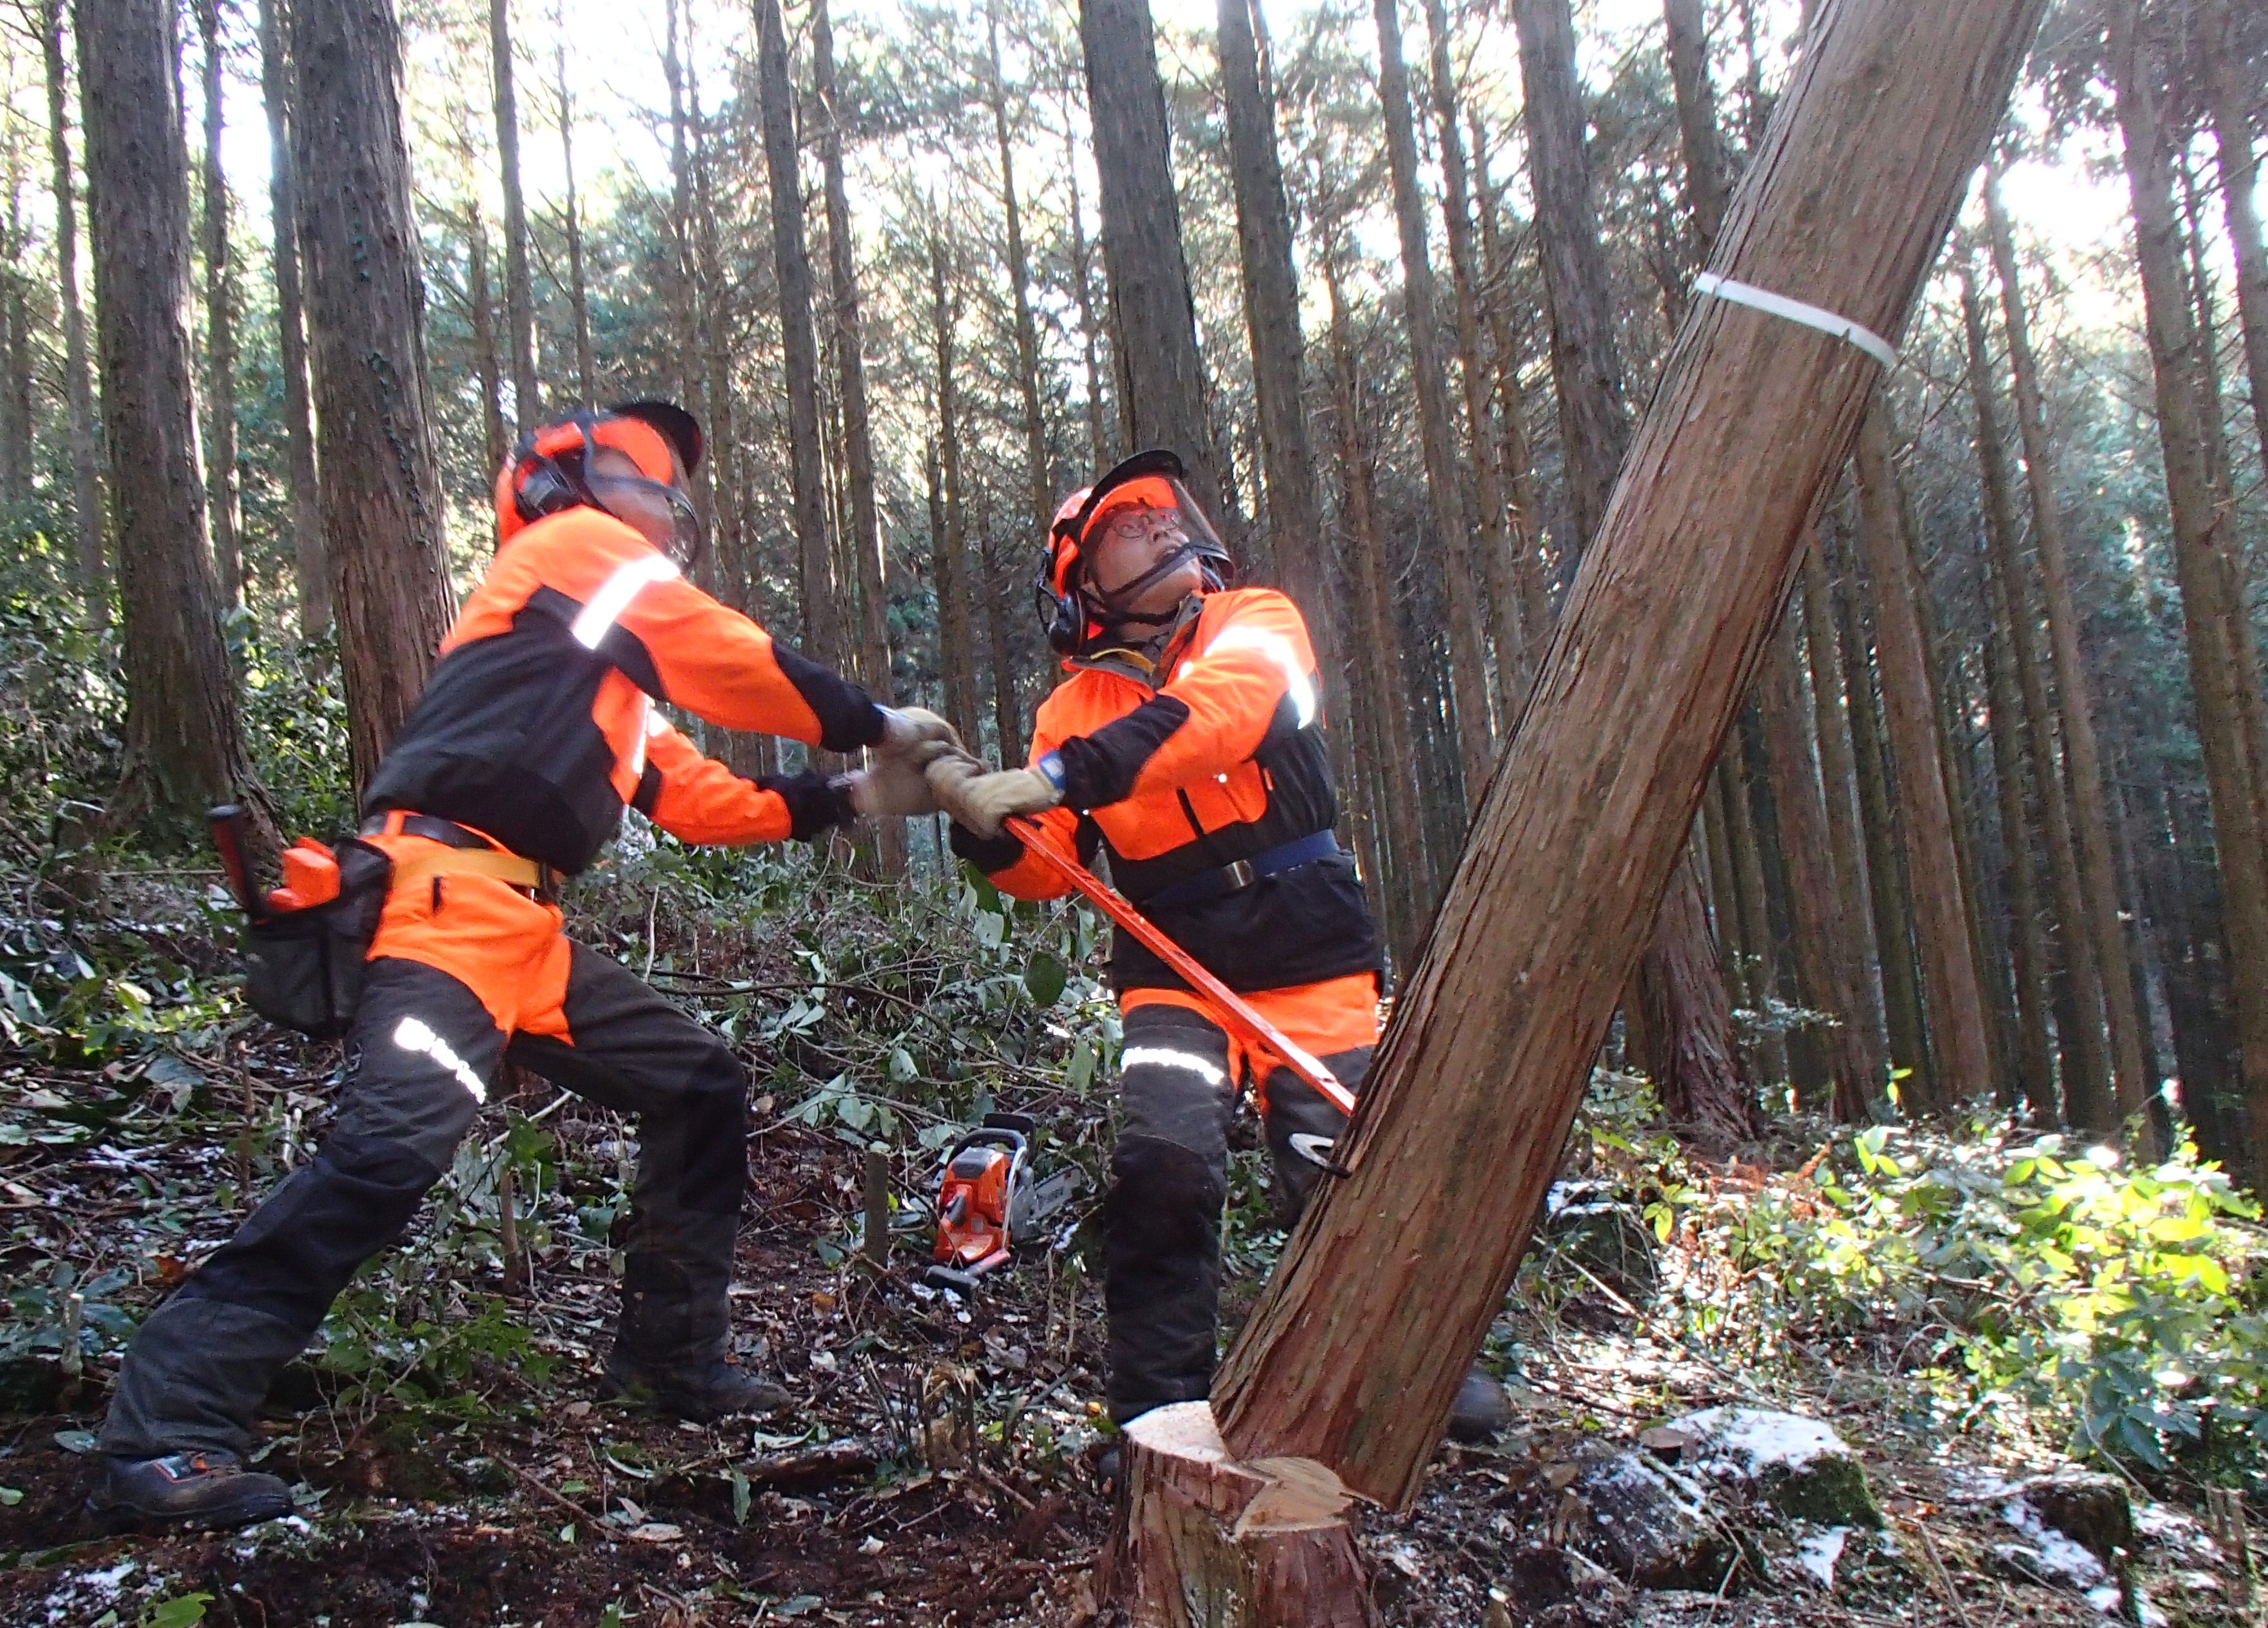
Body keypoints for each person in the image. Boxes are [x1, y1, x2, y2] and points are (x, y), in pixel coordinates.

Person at [92, 403, 958, 1531]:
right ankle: (163, 1434)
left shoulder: (595, 658)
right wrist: (872, 721)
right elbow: (725, 654)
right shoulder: (568, 559)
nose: (675, 518)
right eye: (659, 492)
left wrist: (848, 798)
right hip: (443, 908)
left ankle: (666, 1362)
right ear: (576, 487)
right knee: (383, 1159)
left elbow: (698, 802)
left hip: (521, 932)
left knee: (696, 1086)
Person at [931, 449, 1510, 1443]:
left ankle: (1417, 1371)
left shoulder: (1256, 624)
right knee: (1165, 1164)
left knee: (1337, 1159)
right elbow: (1043, 867)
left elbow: (1223, 718)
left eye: (1161, 514)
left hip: (1307, 942)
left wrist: (1064, 775)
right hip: (1172, 957)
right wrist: (978, 819)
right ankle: (1157, 1413)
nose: (1158, 527)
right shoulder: (1069, 711)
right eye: (1128, 525)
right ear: (1081, 585)